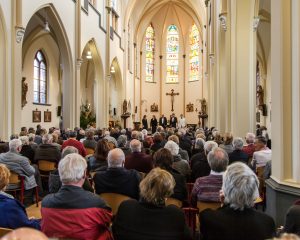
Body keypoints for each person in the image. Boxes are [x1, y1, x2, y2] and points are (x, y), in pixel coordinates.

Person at [41, 153, 113, 240]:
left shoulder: (45, 203)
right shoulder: (98, 204)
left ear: (60, 175)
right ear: (84, 174)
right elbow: (108, 221)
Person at [200, 162, 275, 240]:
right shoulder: (267, 222)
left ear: (226, 188)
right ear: (253, 189)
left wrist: (224, 204)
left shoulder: (208, 218)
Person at [112, 168, 192, 240]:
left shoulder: (126, 207)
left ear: (143, 185)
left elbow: (114, 232)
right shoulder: (176, 215)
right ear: (168, 193)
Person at [0, 164, 41, 230]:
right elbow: (27, 227)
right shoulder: (9, 205)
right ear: (6, 182)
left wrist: (24, 220)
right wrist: (34, 221)